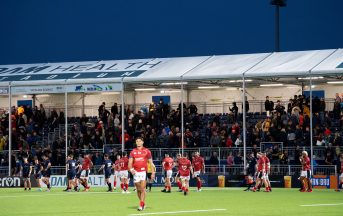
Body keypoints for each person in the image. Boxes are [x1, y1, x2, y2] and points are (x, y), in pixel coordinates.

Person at [128, 137, 155, 211]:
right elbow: (130, 163)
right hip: (135, 172)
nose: (138, 142)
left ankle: (141, 204)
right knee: (138, 189)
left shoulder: (147, 151)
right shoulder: (133, 152)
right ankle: (143, 202)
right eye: (137, 141)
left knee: (142, 189)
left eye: (140, 141)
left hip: (143, 172)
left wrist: (153, 172)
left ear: (142, 142)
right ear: (136, 143)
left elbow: (151, 163)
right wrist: (131, 169)